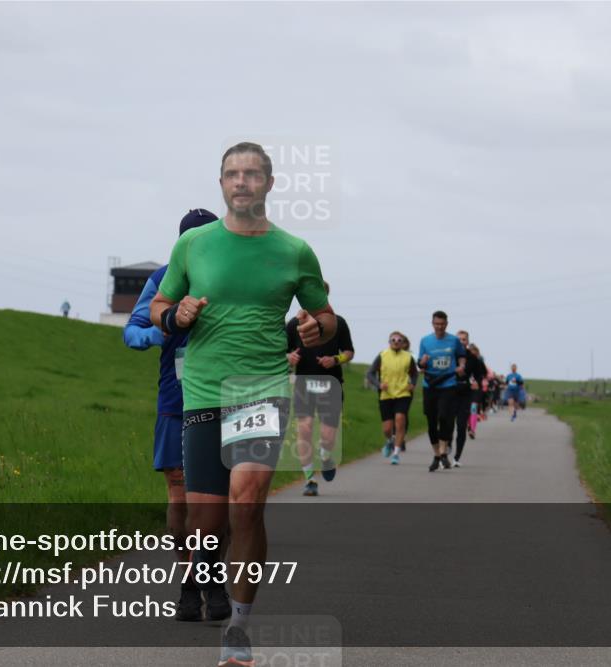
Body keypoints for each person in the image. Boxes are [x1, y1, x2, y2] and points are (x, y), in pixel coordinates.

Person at [150, 142, 336, 667]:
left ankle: (238, 624)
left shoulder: (295, 250)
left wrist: (311, 327)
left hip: (262, 388)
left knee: (248, 501)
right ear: (221, 182)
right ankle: (210, 569)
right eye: (232, 174)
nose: (241, 182)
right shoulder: (194, 245)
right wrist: (176, 315)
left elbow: (325, 318)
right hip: (205, 390)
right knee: (207, 524)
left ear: (269, 184)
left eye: (251, 174)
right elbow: (161, 304)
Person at [124, 208, 227, 623]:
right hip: (175, 401)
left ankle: (213, 577)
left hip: (224, 399)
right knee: (181, 498)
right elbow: (131, 333)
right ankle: (188, 585)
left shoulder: (230, 276)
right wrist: (161, 329)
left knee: (221, 500)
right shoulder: (163, 279)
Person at [286, 282, 354, 496]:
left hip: (330, 384)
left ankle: (325, 455)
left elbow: (349, 352)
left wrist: (335, 359)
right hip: (304, 383)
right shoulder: (294, 324)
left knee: (327, 435)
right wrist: (289, 357)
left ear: (325, 296)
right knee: (304, 429)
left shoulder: (338, 323)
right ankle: (309, 480)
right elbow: (281, 352)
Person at [417, 311, 467, 471]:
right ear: (432, 324)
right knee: (431, 421)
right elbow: (420, 364)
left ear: (446, 324)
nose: (439, 327)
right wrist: (423, 362)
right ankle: (437, 455)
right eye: (436, 324)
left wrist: (461, 366)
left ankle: (444, 451)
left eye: (442, 324)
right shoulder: (425, 341)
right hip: (430, 384)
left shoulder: (453, 340)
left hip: (448, 383)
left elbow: (461, 355)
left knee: (445, 417)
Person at [365, 332, 418, 465]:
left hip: (403, 393)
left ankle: (396, 453)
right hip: (386, 394)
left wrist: (413, 384)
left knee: (400, 420)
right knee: (387, 429)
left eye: (399, 340)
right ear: (389, 341)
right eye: (393, 340)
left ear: (403, 342)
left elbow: (414, 373)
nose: (396, 342)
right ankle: (390, 441)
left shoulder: (408, 357)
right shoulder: (382, 355)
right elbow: (370, 373)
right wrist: (379, 384)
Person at [452, 331, 486, 466]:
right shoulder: (450, 355)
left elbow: (479, 374)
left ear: (467, 342)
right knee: (447, 424)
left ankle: (457, 457)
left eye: (464, 339)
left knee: (461, 426)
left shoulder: (473, 358)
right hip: (450, 392)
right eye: (459, 339)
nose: (461, 342)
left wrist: (476, 382)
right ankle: (446, 447)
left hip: (466, 394)